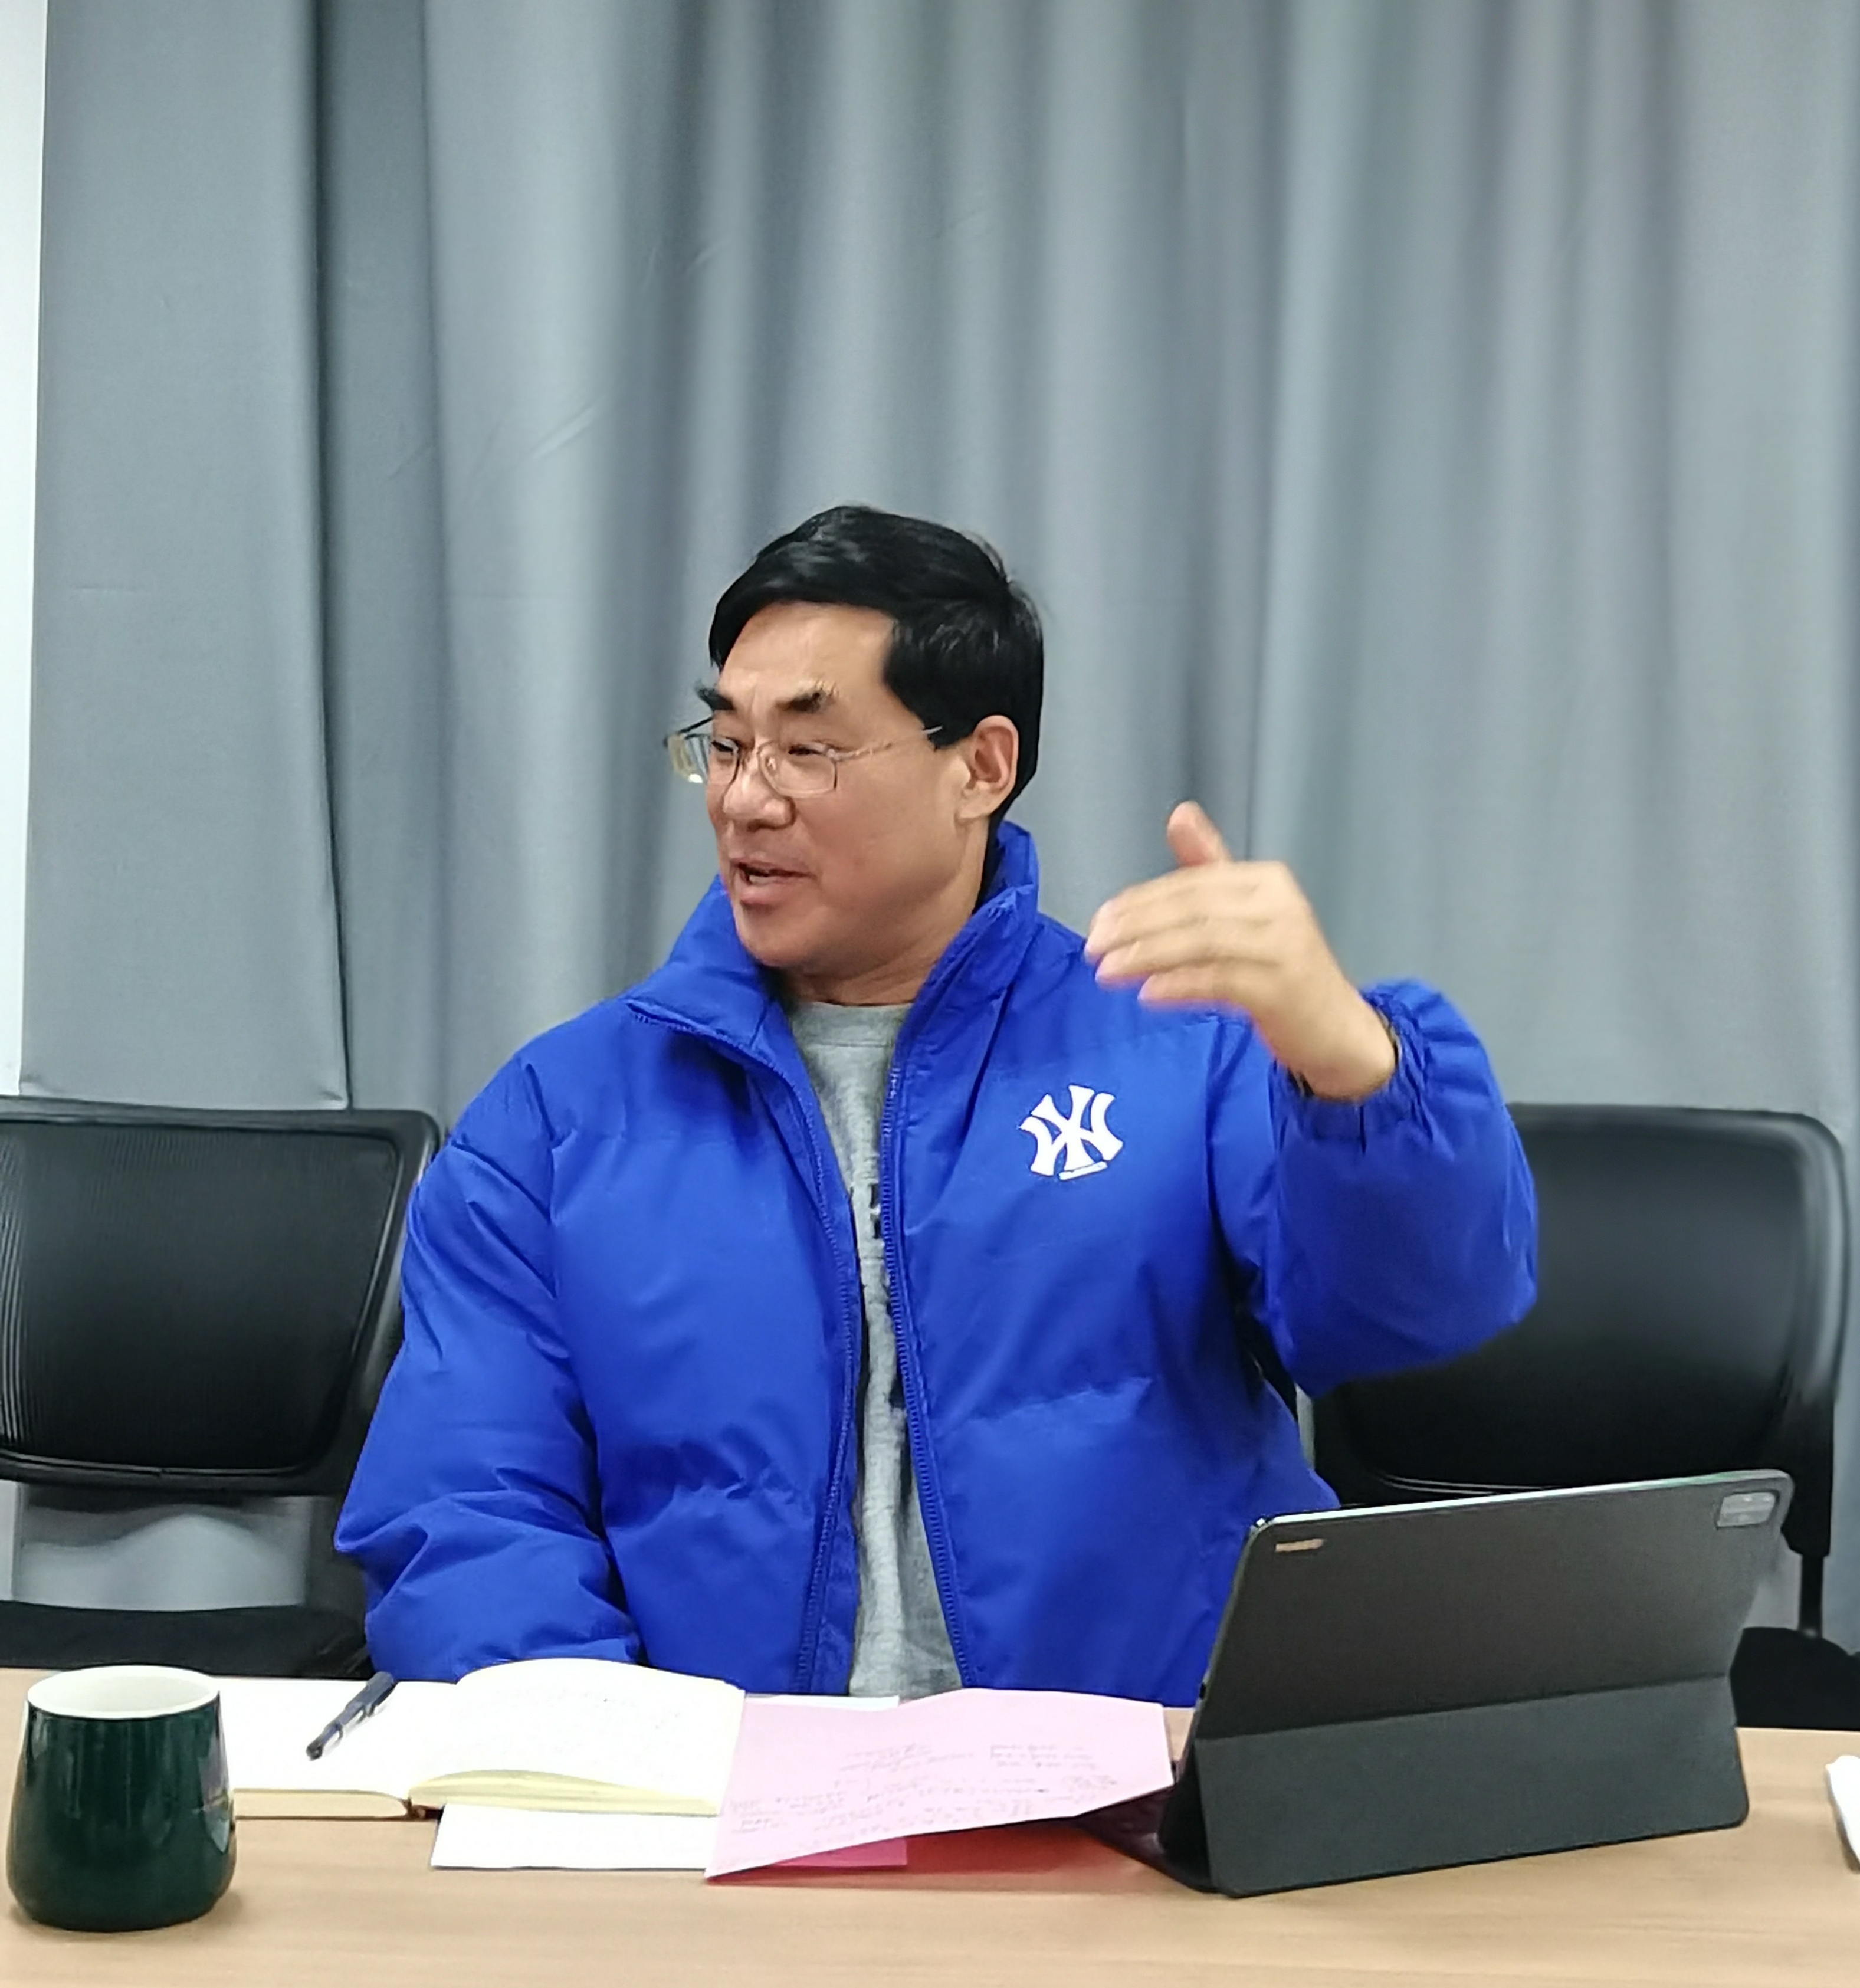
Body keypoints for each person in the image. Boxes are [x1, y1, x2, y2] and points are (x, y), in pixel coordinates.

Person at [336, 504, 1536, 1703]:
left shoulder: (1186, 1053)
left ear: (980, 767)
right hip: (712, 1800)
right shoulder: (554, 1121)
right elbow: (463, 1507)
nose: (745, 799)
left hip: (1132, 1786)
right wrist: (613, 1763)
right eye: (728, 741)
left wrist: (1351, 1066)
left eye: (808, 749)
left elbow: (1415, 1314)